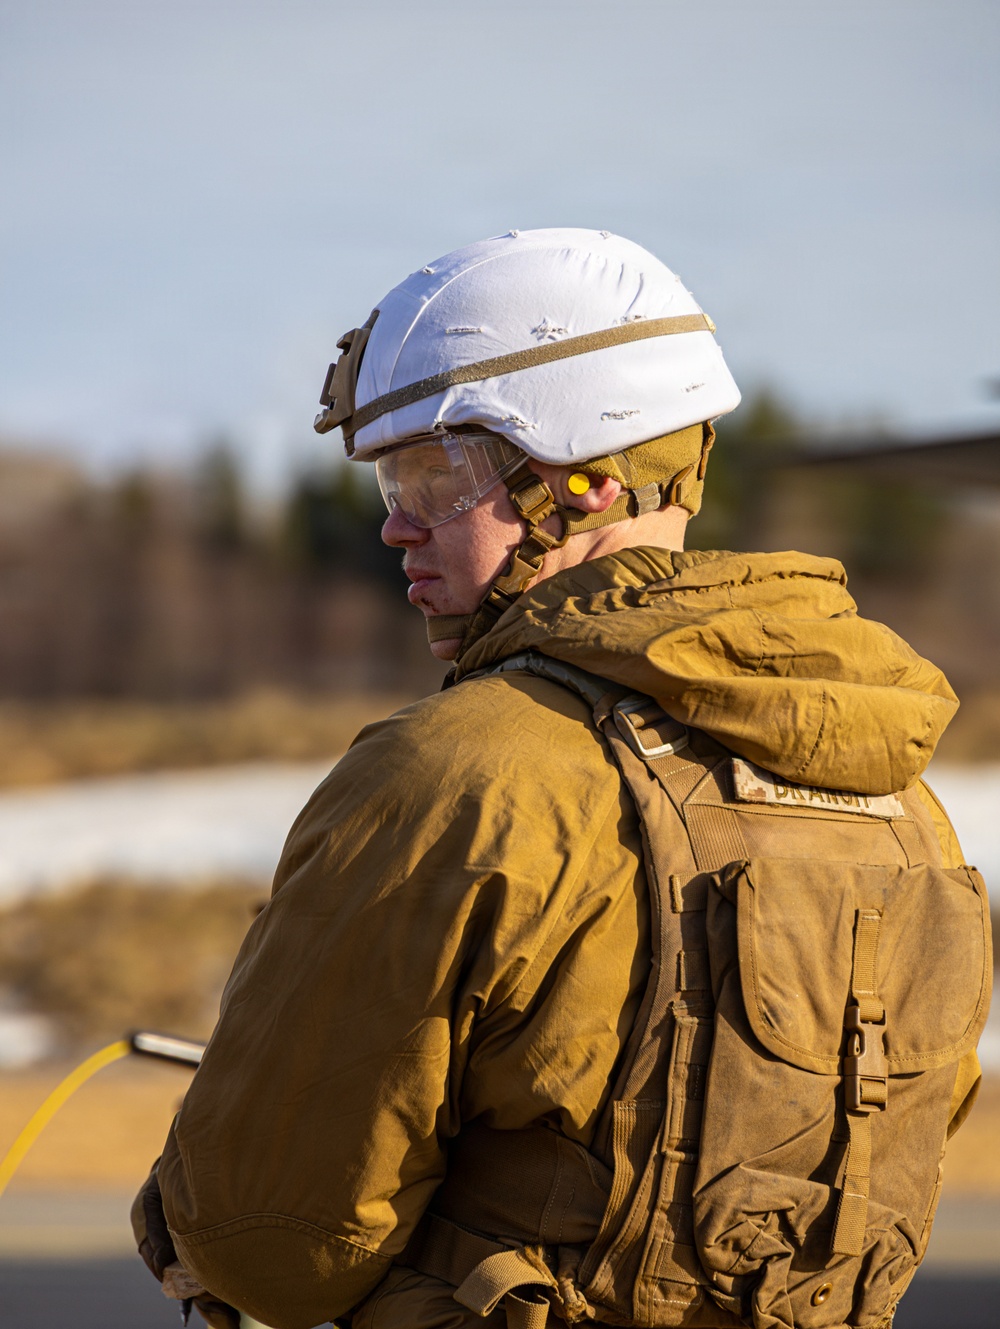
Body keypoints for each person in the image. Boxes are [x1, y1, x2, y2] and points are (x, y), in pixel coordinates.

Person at [133, 229, 986, 1329]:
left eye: (433, 475)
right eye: (392, 480)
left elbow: (271, 1243)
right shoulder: (901, 797)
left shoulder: (453, 771)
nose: (394, 523)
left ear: (585, 484)